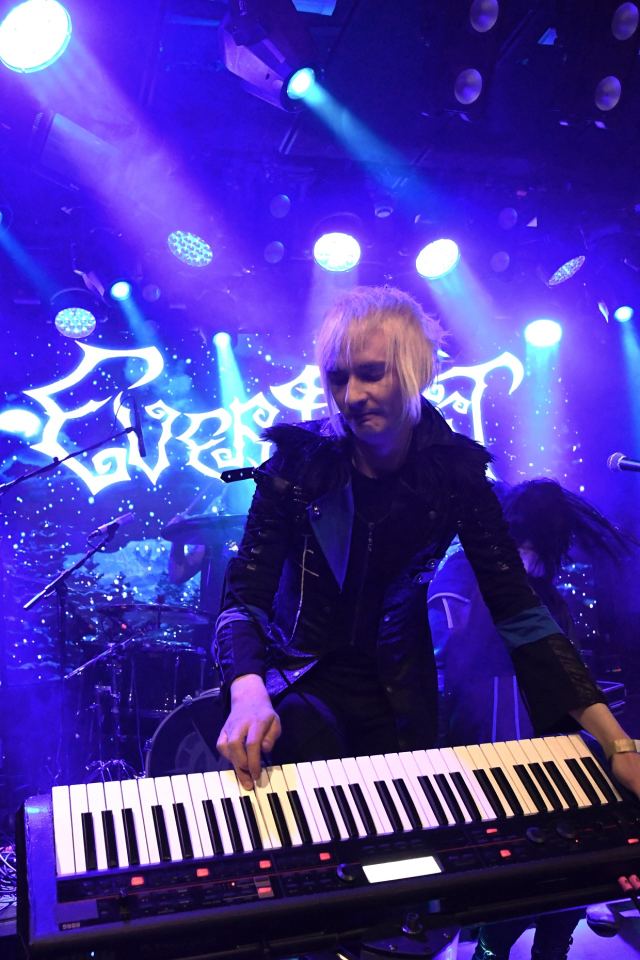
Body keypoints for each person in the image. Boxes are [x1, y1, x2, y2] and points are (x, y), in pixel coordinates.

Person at [213, 285, 640, 813]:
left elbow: (519, 611)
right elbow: (244, 599)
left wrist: (616, 741)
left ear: (416, 370)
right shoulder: (296, 463)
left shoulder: (458, 475)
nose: (351, 395)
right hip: (295, 690)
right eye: (338, 378)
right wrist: (247, 690)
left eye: (372, 374)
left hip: (399, 700)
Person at [428, 478, 633, 960]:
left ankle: (523, 943)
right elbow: (445, 644)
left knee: (554, 858)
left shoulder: (528, 587)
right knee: (517, 855)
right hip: (496, 735)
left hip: (533, 734)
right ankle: (494, 945)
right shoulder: (472, 570)